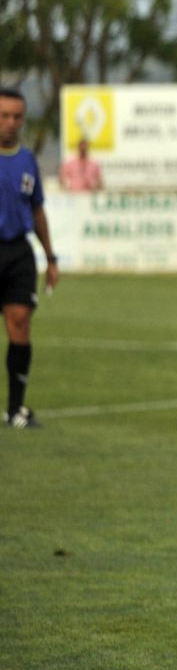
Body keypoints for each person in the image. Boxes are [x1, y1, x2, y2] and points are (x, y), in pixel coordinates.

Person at [0, 89, 59, 429]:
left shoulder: (27, 160)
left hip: (19, 251)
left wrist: (50, 257)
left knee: (20, 321)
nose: (10, 123)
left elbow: (37, 209)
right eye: (4, 115)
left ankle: (15, 409)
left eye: (17, 116)